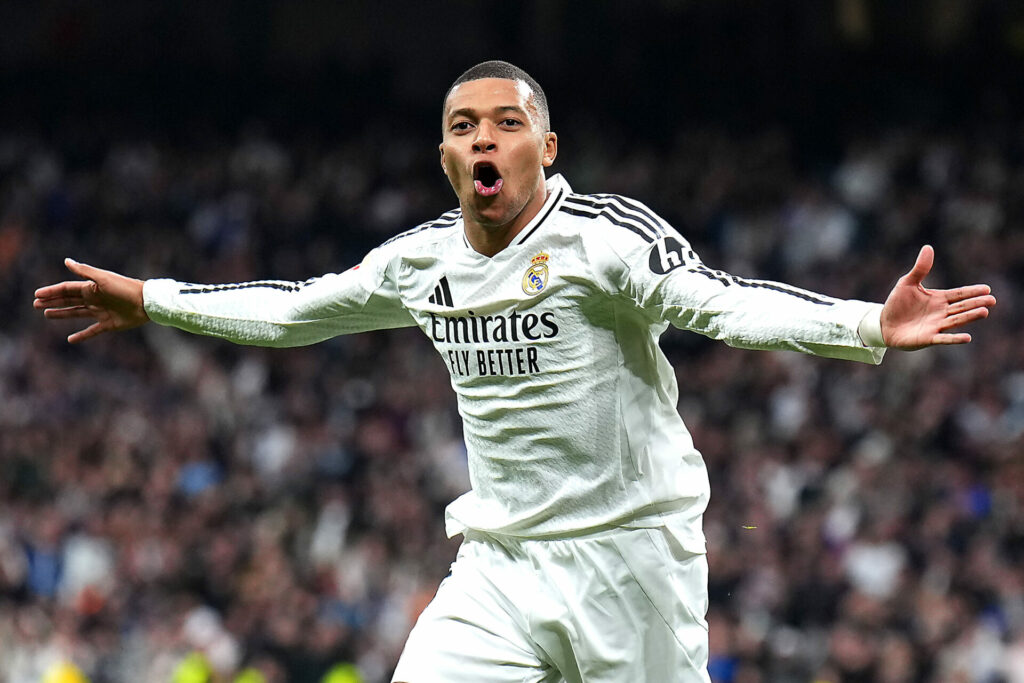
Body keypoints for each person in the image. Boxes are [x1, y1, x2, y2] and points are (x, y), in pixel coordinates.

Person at [34, 61, 996, 682]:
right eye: (463, 125)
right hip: (501, 564)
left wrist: (867, 324)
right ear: (445, 155)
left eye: (505, 122)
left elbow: (722, 300)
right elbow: (296, 309)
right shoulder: (421, 261)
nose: (483, 138)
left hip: (631, 558)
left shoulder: (603, 240)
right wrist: (155, 298)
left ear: (547, 148)